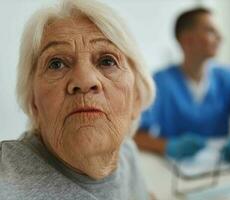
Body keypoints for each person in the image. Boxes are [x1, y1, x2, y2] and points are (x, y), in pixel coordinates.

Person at [0, 0, 156, 199]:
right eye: (56, 64)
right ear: (33, 103)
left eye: (107, 61)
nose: (84, 80)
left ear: (136, 98)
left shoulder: (127, 154)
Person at [134, 7, 230, 162]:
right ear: (187, 39)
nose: (220, 37)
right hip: (175, 173)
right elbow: (137, 135)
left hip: (222, 168)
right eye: (210, 31)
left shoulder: (227, 79)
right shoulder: (160, 82)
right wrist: (168, 146)